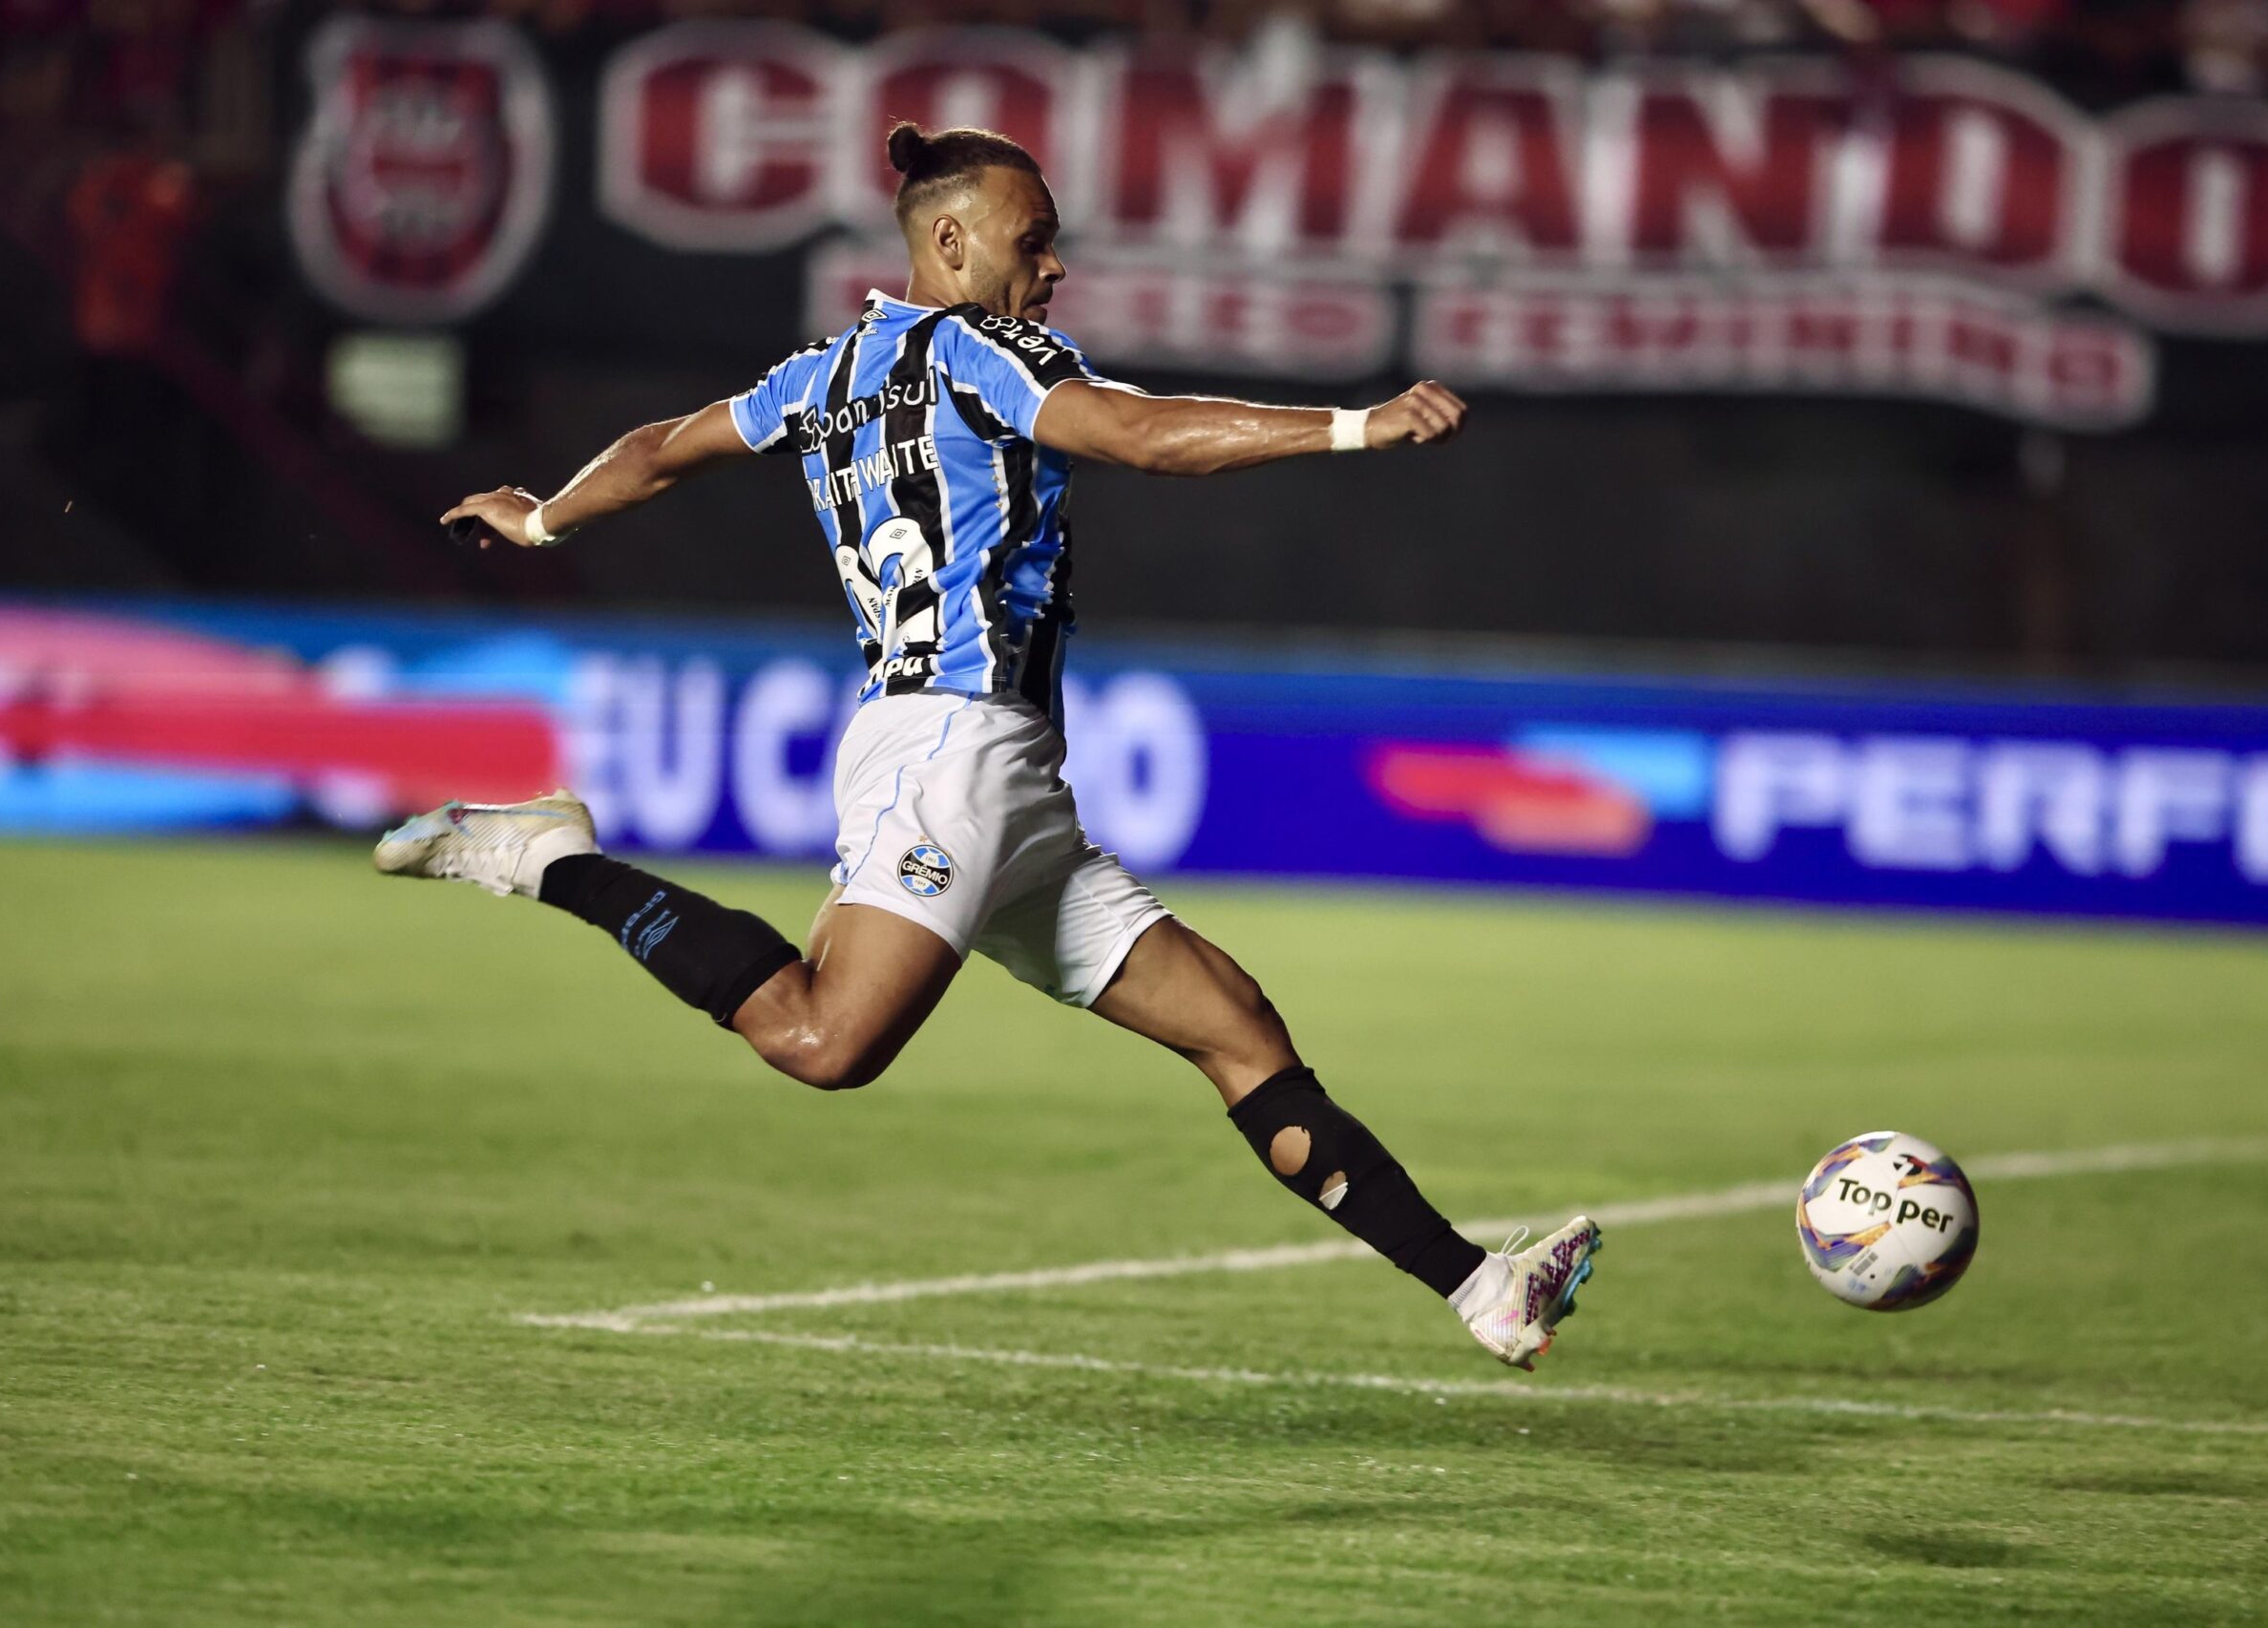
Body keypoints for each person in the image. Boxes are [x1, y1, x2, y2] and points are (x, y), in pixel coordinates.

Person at [379, 122, 1599, 1368]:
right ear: (949, 241)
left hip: (1008, 780)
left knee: (1236, 1028)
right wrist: (1355, 428)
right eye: (1036, 239)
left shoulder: (815, 373)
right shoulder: (984, 349)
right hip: (948, 749)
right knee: (822, 1039)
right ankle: (546, 855)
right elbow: (1137, 434)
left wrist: (543, 520)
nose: (1055, 267)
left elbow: (658, 450)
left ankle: (1481, 1286)